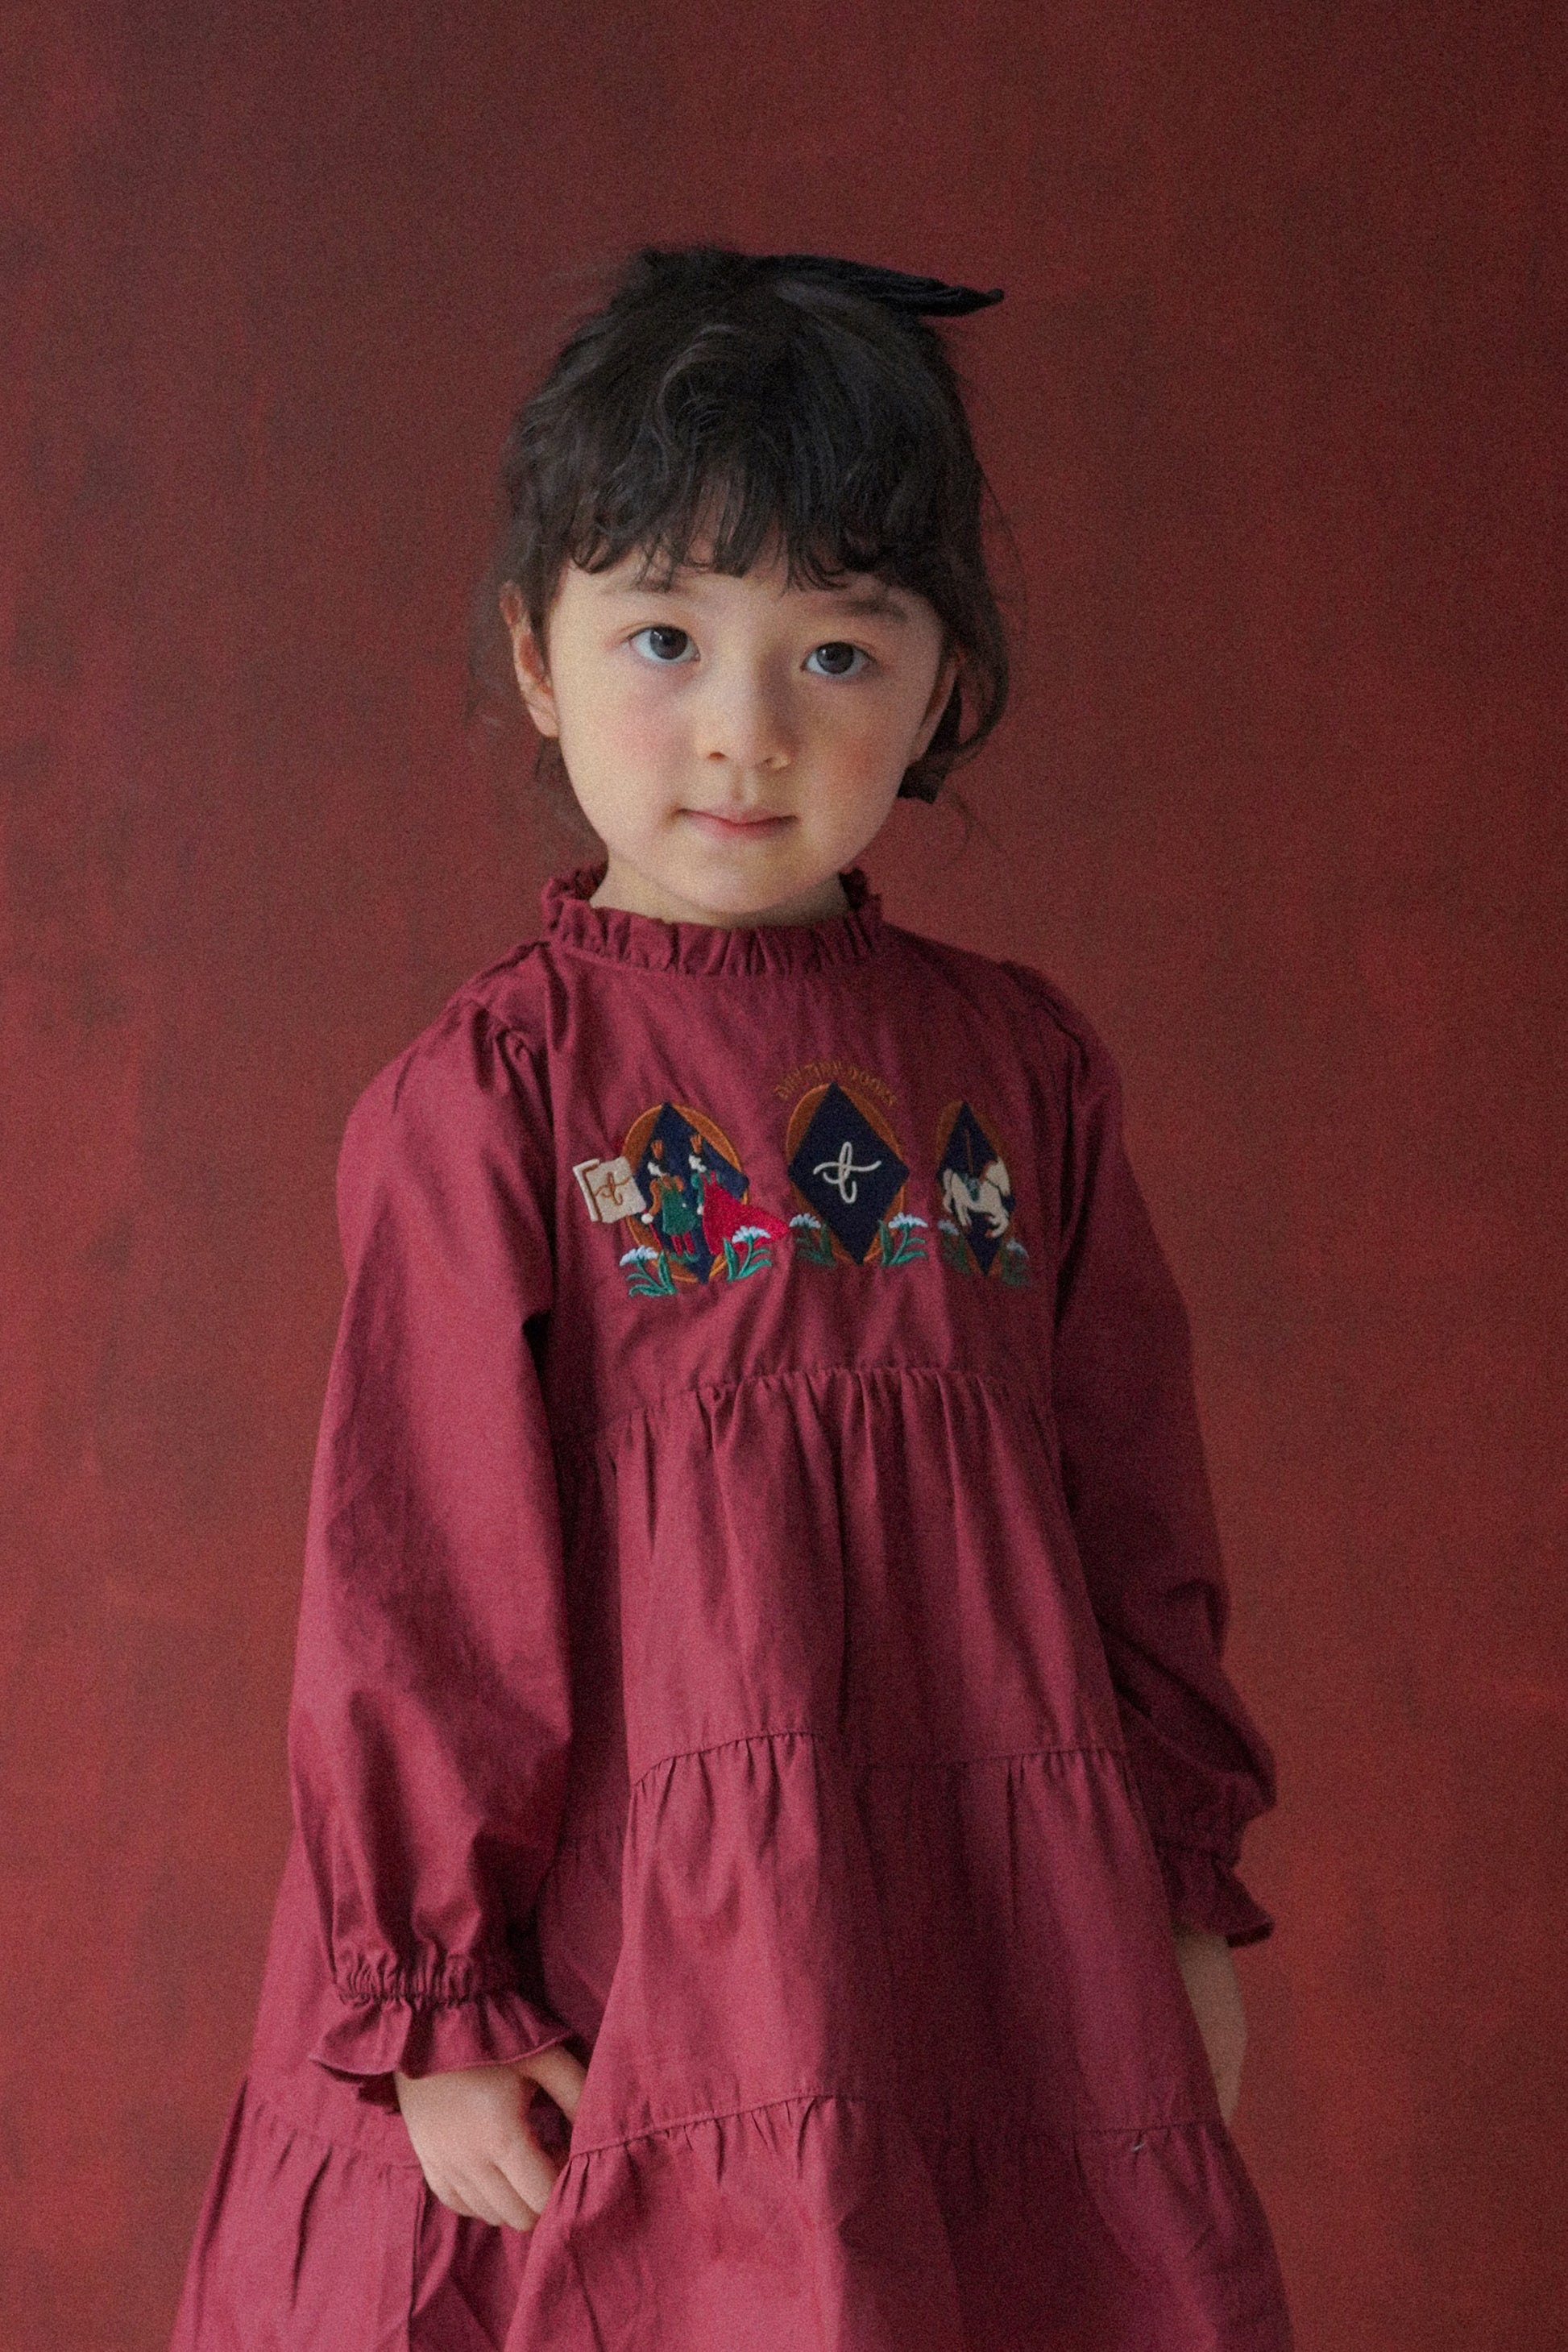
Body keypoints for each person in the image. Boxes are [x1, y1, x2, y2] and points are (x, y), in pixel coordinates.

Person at [169, 245, 1293, 2350]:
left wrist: (1176, 1906)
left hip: (989, 1942)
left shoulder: (1022, 1072)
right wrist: (438, 1998)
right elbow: (417, 1589)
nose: (743, 734)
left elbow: (1137, 1520)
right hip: (629, 1965)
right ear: (537, 656)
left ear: (942, 689)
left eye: (838, 652)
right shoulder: (496, 1096)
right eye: (666, 638)